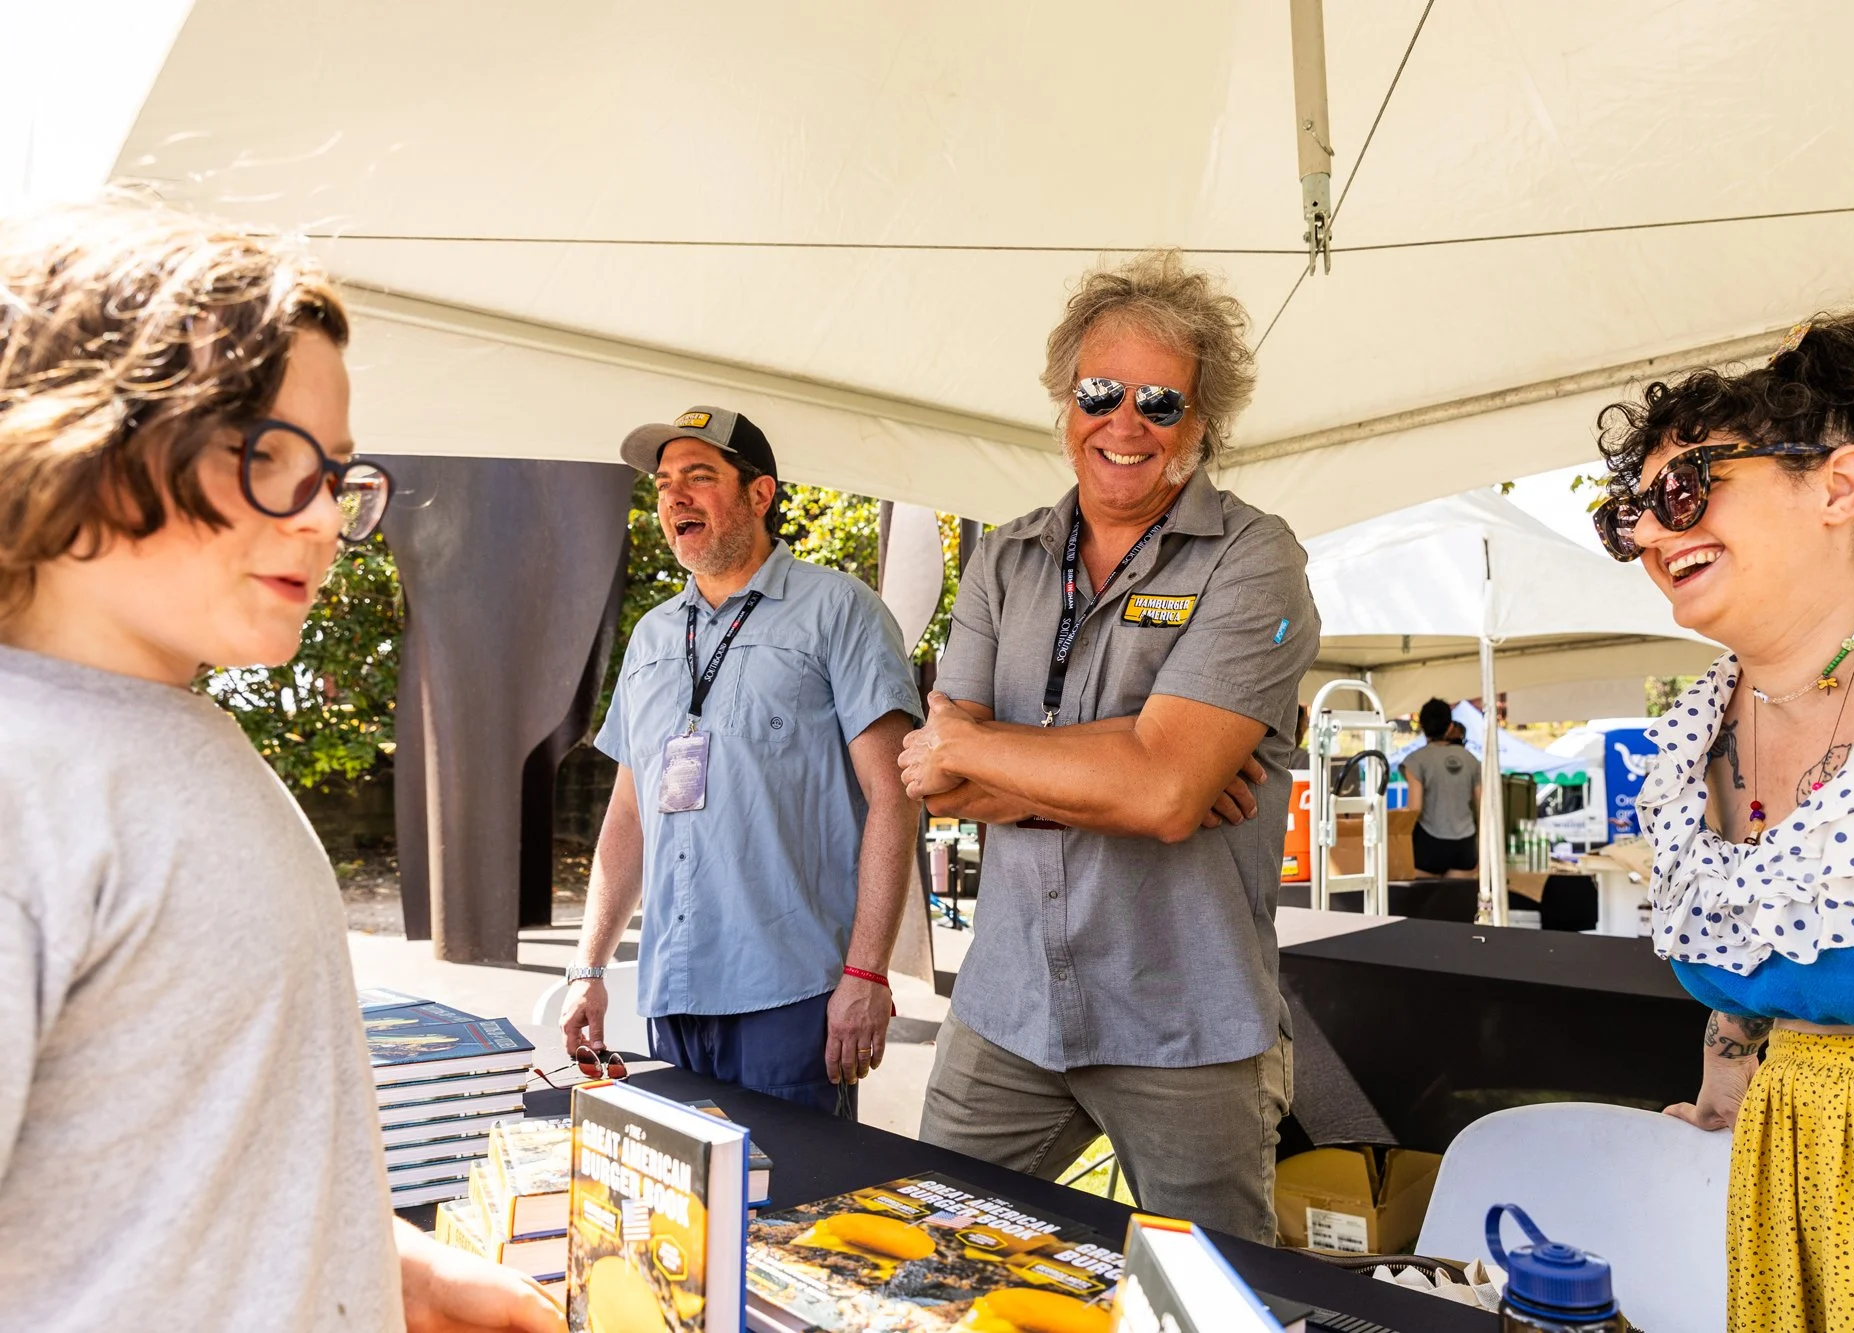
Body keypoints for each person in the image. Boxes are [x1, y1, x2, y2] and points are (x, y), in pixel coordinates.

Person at [0, 197, 559, 1331]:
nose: (322, 521)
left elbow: (183, 1162)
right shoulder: (27, 782)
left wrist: (398, 1271)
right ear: (87, 436)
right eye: (270, 456)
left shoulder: (176, 731)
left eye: (338, 476)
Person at [898, 250, 1320, 1243]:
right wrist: (1126, 767)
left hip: (1185, 1025)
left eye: (1160, 402)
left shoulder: (1256, 556)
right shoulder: (1005, 557)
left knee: (1209, 1298)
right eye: (1100, 393)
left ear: (1202, 421)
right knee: (929, 1251)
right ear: (1065, 402)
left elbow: (1161, 792)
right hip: (1008, 1006)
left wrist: (987, 745)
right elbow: (939, 781)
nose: (1125, 423)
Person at [1596, 315, 1854, 1330]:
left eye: (1685, 490)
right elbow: (1765, 962)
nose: (1648, 536)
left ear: (1837, 485)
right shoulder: (1700, 728)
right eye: (1630, 514)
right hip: (1794, 1195)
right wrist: (1726, 1086)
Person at [560, 407, 922, 1116]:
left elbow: (895, 796)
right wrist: (588, 966)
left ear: (760, 494)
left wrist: (867, 973)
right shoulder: (653, 635)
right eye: (664, 484)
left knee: (794, 1186)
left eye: (699, 477)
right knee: (687, 1186)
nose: (675, 497)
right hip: (673, 993)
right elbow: (628, 815)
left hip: (793, 995)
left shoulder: (839, 610)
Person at [1403, 698, 1481, 879]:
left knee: (1424, 893)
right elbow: (1483, 807)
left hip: (1429, 845)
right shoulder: (1471, 760)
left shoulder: (1415, 761)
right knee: (1455, 894)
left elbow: (1414, 808)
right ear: (1450, 726)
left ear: (1422, 726)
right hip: (1465, 845)